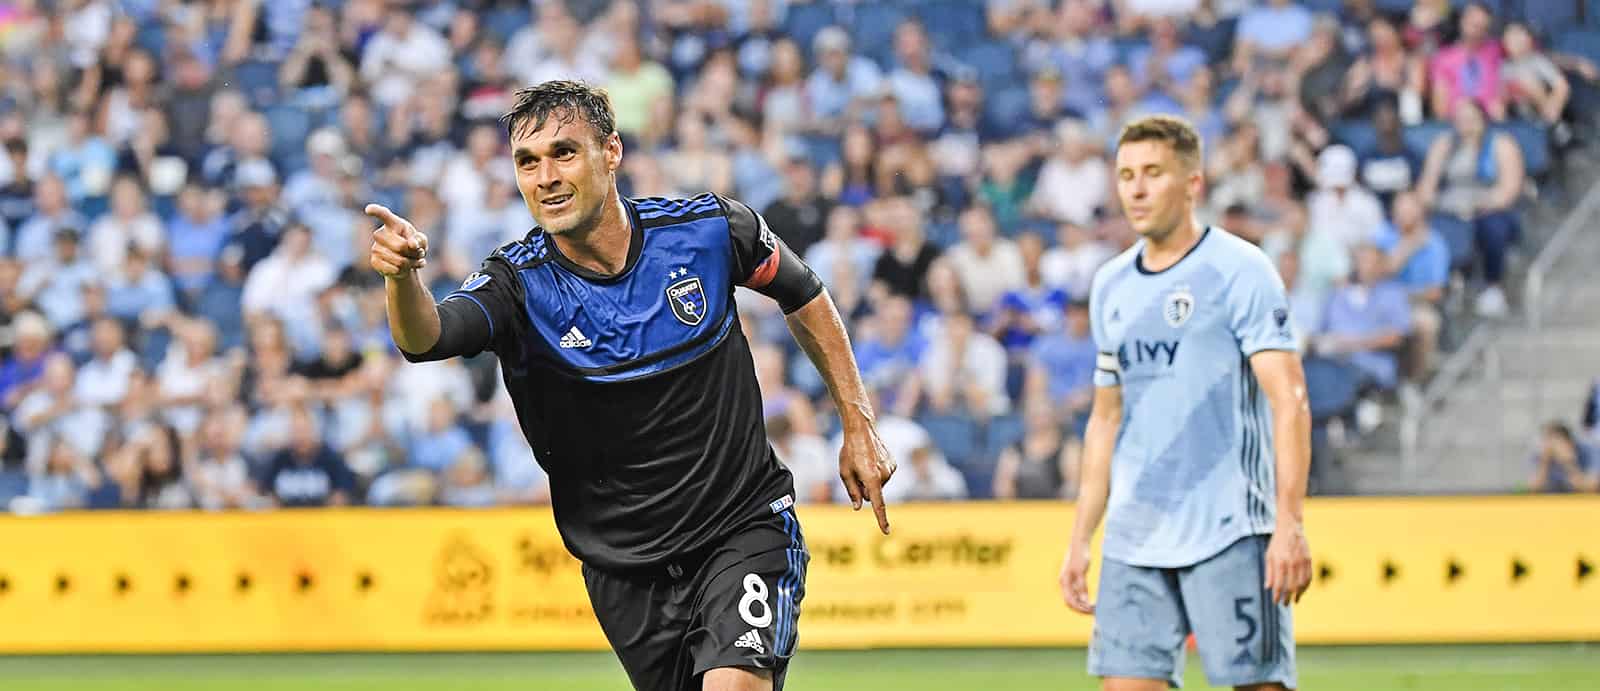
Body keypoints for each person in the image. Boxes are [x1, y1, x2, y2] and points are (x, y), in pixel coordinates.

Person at [369, 81, 895, 691]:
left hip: (742, 526)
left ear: (611, 152)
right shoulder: (517, 284)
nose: (546, 177)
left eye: (565, 152)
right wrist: (402, 280)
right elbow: (426, 338)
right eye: (527, 162)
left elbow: (804, 292)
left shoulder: (709, 231)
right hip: (624, 570)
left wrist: (858, 422)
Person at [1061, 116, 1313, 691]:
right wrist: (1080, 538)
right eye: (1126, 175)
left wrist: (1289, 523)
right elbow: (1105, 420)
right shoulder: (1111, 285)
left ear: (1193, 183)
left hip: (1230, 529)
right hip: (1134, 537)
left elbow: (1290, 399)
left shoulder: (1240, 270)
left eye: (1153, 173)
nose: (1137, 189)